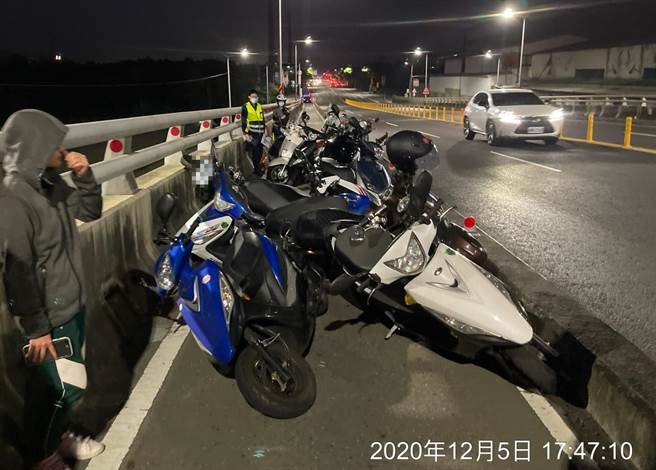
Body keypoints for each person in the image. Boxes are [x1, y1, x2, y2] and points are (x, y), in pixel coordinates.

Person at [0, 109, 104, 466]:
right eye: (54, 145)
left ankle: (65, 443)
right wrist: (37, 329)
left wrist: (86, 177)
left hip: (71, 302)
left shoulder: (51, 183)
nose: (62, 150)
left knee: (65, 387)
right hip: (48, 317)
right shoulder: (14, 199)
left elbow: (91, 212)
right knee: (64, 390)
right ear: (33, 147)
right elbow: (18, 269)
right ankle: (46, 458)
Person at [241, 89, 266, 176]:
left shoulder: (259, 106)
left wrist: (264, 129)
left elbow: (262, 119)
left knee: (260, 151)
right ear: (249, 97)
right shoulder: (245, 106)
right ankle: (256, 170)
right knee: (255, 151)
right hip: (252, 133)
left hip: (260, 133)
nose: (255, 98)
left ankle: (258, 167)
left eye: (256, 97)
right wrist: (245, 133)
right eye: (253, 97)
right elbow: (243, 121)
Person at [270, 94, 290, 158]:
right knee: (276, 145)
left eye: (282, 101)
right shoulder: (276, 111)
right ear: (278, 102)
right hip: (277, 131)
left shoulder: (286, 110)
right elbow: (275, 122)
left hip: (285, 131)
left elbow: (288, 120)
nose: (281, 103)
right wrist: (279, 128)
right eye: (280, 101)